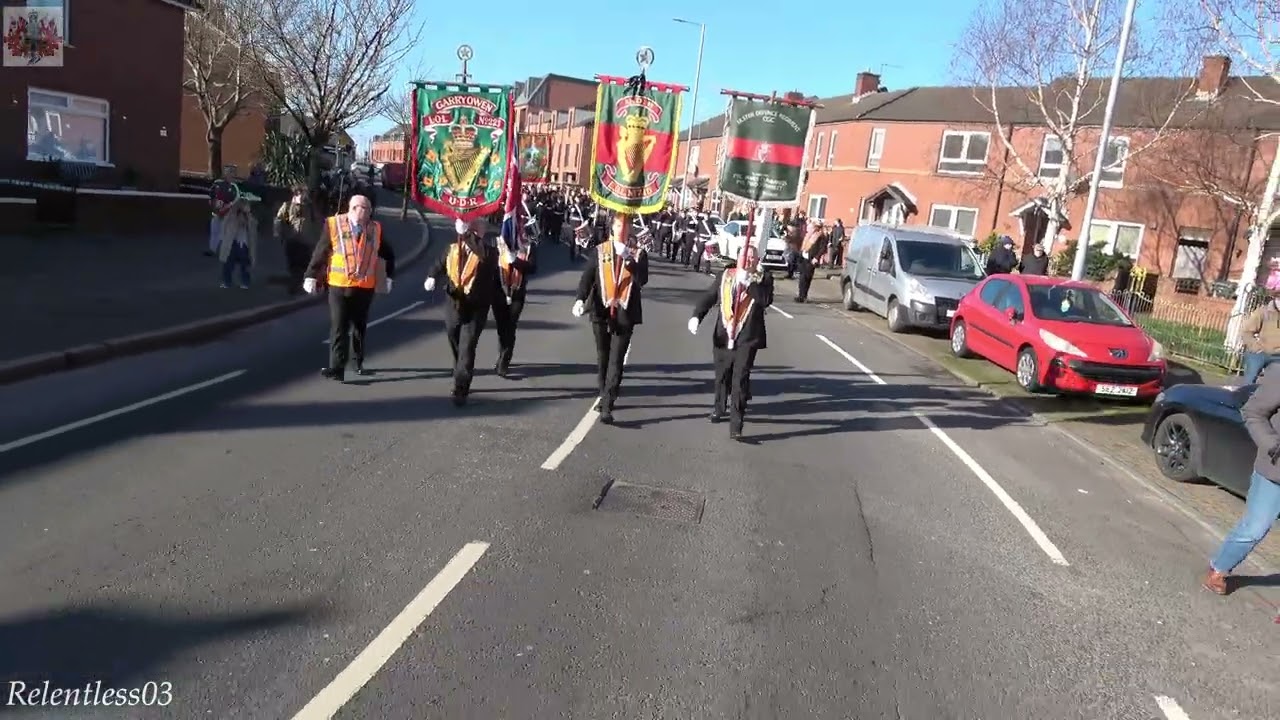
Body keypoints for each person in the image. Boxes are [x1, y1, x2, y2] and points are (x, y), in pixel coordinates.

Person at [1202, 362, 1280, 595]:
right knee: (1254, 528)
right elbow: (1253, 412)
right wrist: (1272, 445)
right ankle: (1220, 569)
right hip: (1275, 472)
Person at [423, 218, 518, 405]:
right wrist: (432, 276)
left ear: (482, 232)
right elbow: (440, 262)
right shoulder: (453, 247)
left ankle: (461, 388)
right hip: (454, 302)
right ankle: (460, 368)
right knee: (453, 336)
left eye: (475, 229)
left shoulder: (489, 252)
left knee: (468, 346)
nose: (472, 231)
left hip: (477, 306)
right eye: (470, 228)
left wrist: (467, 235)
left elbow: (480, 253)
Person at [304, 193, 396, 381]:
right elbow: (320, 251)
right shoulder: (334, 225)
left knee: (359, 326)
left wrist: (388, 277)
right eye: (363, 209)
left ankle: (357, 362)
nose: (367, 213)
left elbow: (388, 253)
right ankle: (337, 368)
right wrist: (310, 275)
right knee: (339, 326)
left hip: (364, 287)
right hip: (339, 286)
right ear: (353, 209)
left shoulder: (375, 229)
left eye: (368, 210)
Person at [689, 244, 773, 440]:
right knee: (722, 375)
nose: (749, 260)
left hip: (748, 337)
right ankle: (719, 407)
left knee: (740, 378)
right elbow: (709, 297)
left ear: (758, 260)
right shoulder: (725, 275)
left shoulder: (764, 279)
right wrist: (696, 316)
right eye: (745, 256)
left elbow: (765, 300)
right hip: (723, 334)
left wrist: (750, 284)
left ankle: (736, 424)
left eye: (753, 257)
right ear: (738, 258)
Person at [572, 215, 649, 424]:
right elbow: (587, 277)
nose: (621, 230)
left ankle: (608, 404)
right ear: (612, 228)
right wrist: (580, 299)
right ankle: (603, 393)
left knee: (616, 359)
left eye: (625, 226)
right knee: (602, 356)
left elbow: (642, 280)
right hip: (601, 310)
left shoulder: (638, 254)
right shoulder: (600, 251)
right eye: (617, 226)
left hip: (625, 313)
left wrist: (629, 260)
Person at [494, 231, 537, 376]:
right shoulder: (500, 243)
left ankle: (504, 361)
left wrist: (516, 262)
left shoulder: (529, 246)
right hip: (499, 291)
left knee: (510, 326)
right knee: (501, 327)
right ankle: (502, 352)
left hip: (517, 292)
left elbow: (532, 267)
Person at [274, 185, 322, 294]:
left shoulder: (310, 208)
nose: (302, 197)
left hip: (306, 241)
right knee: (293, 264)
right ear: (295, 195)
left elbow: (318, 222)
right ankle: (294, 286)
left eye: (303, 194)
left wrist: (317, 238)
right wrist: (280, 233)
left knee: (304, 264)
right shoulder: (287, 206)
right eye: (299, 194)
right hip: (292, 240)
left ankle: (299, 286)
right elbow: (279, 220)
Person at [1240, 273, 1280, 385]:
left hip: (1278, 356)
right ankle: (1243, 398)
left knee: (1274, 386)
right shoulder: (1264, 312)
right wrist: (1255, 347)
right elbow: (1246, 332)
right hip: (1260, 352)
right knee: (1250, 379)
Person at [217, 198, 256, 289]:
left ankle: (245, 282)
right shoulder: (231, 215)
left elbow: (252, 228)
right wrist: (222, 238)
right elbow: (224, 225)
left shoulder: (249, 218)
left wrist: (246, 217)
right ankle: (227, 282)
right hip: (232, 243)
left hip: (244, 243)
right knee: (228, 264)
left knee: (244, 264)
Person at [794, 219, 827, 303]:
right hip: (803, 258)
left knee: (806, 277)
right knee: (802, 277)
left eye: (810, 227)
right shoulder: (808, 235)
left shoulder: (821, 236)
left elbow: (822, 249)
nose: (808, 229)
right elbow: (804, 245)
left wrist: (816, 257)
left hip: (811, 259)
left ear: (815, 228)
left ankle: (803, 296)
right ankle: (801, 295)